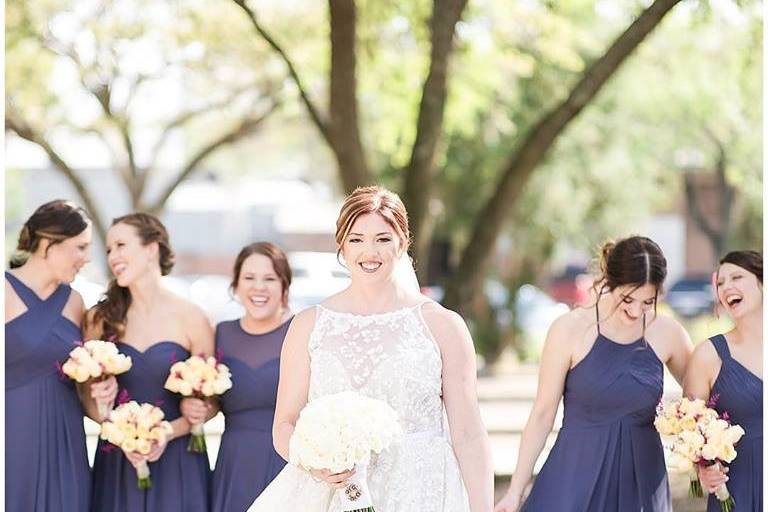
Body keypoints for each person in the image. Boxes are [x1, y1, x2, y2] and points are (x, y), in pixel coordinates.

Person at [249, 185, 493, 511]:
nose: (369, 252)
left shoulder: (443, 326)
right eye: (356, 239)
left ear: (403, 243)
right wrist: (314, 462)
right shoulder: (308, 325)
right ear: (342, 247)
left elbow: (469, 435)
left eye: (382, 239)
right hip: (332, 494)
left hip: (420, 492)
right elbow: (284, 425)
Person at [495, 236, 692, 512]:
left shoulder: (669, 334)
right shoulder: (569, 329)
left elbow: (702, 407)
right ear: (610, 280)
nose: (636, 311)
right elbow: (542, 414)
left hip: (642, 482)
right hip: (575, 477)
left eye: (648, 302)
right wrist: (515, 491)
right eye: (628, 298)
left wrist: (703, 463)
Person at [86, 213, 212, 512]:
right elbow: (88, 406)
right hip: (118, 460)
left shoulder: (192, 317)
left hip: (179, 459)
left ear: (152, 248)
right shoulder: (99, 320)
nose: (113, 256)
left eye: (120, 245)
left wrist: (168, 432)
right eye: (108, 250)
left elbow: (211, 403)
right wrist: (107, 414)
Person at [5, 199, 115, 511]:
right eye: (80, 247)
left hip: (66, 443)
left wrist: (102, 395)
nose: (86, 258)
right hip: (12, 440)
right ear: (49, 243)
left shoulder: (76, 303)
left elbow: (88, 397)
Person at [183, 242, 293, 511]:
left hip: (286, 463)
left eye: (269, 278)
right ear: (235, 285)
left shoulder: (299, 331)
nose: (259, 287)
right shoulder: (222, 334)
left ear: (284, 286)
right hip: (234, 464)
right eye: (249, 278)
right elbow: (212, 403)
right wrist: (197, 408)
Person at [683, 250, 762, 512]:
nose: (727, 287)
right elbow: (691, 432)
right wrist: (703, 470)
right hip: (738, 491)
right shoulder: (708, 355)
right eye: (720, 283)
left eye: (737, 277)